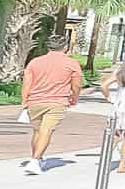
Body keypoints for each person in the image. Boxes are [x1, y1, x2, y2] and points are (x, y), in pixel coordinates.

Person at [18, 34, 84, 176]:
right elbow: (77, 85)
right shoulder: (72, 63)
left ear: (48, 47)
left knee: (37, 131)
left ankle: (37, 158)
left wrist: (24, 101)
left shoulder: (35, 62)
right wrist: (74, 98)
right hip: (57, 101)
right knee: (46, 130)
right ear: (65, 47)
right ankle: (35, 160)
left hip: (35, 101)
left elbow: (27, 83)